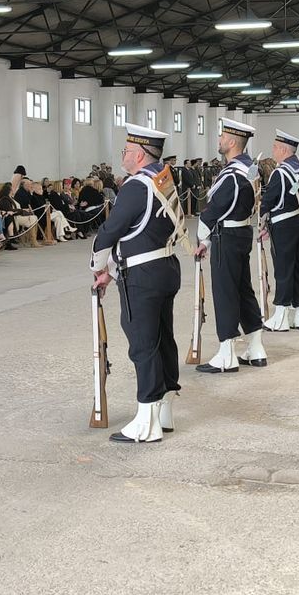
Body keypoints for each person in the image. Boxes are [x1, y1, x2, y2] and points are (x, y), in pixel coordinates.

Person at [90, 124, 182, 443]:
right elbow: (141, 235)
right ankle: (165, 409)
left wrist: (98, 266)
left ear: (139, 154)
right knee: (163, 339)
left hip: (142, 276)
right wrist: (113, 272)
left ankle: (146, 421)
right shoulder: (164, 180)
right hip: (166, 266)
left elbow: (110, 232)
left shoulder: (135, 186)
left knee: (143, 344)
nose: (124, 156)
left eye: (127, 151)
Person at [195, 118, 265, 373]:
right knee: (243, 289)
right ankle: (256, 348)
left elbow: (212, 211)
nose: (219, 140)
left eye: (222, 137)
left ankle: (226, 353)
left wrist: (202, 240)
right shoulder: (249, 168)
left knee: (225, 292)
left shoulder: (232, 175)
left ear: (233, 142)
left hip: (227, 236)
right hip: (243, 232)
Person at [260, 130, 299, 332]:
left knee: (283, 269)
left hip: (283, 224)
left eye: (274, 147)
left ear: (282, 149)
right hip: (297, 220)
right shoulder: (298, 169)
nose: (273, 151)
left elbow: (269, 200)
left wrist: (262, 218)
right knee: (296, 267)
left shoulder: (280, 172)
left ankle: (280, 316)